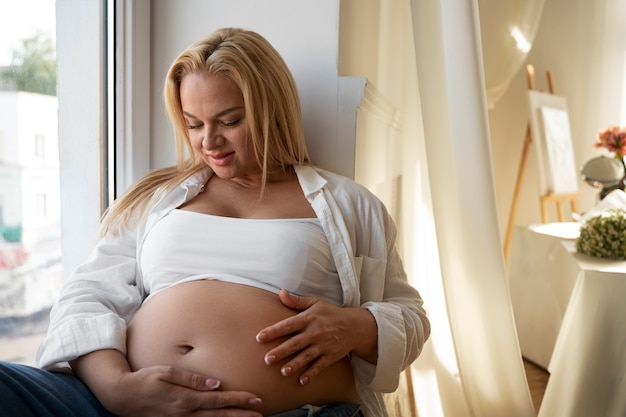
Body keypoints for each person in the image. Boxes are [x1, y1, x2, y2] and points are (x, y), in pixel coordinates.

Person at [0, 27, 430, 417]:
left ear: (272, 109)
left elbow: (411, 315)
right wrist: (119, 390)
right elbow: (86, 296)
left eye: (230, 121)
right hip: (123, 407)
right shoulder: (155, 200)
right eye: (193, 124)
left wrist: (358, 327)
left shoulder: (348, 204)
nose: (209, 142)